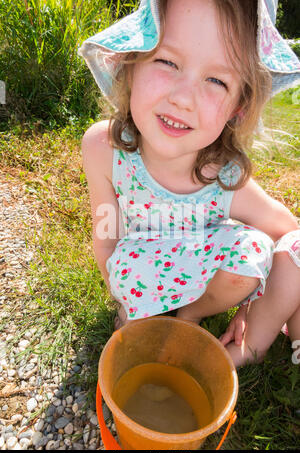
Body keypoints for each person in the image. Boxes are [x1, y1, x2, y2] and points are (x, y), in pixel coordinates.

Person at [79, 0, 300, 367]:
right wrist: (125, 302)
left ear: (237, 108)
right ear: (130, 66)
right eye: (167, 61)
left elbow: (287, 230)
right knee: (127, 269)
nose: (183, 98)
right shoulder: (104, 147)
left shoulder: (222, 177)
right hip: (141, 267)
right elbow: (107, 233)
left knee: (256, 251)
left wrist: (253, 304)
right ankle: (147, 313)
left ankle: (191, 317)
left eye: (216, 80)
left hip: (205, 269)